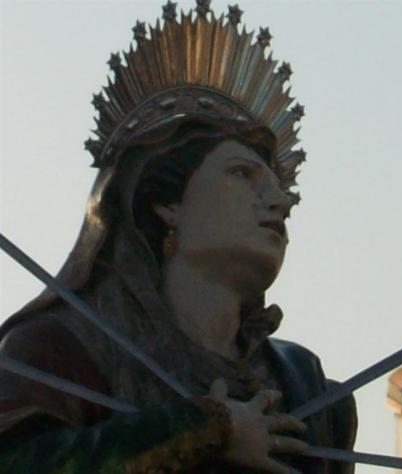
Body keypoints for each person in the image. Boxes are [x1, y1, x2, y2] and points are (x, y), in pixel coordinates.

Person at [0, 2, 357, 473]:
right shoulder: (58, 352)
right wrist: (201, 429)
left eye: (279, 187)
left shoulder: (305, 385)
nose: (280, 201)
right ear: (168, 203)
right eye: (243, 174)